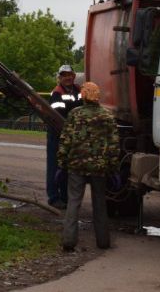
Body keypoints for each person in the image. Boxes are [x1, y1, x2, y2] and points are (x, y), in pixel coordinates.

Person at [57, 82, 119, 251]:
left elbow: (65, 140)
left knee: (73, 203)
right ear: (98, 96)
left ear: (82, 95)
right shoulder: (107, 116)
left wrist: (62, 163)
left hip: (76, 165)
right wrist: (113, 168)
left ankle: (69, 242)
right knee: (99, 204)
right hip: (99, 168)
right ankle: (103, 242)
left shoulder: (75, 114)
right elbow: (113, 145)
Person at [46, 64, 82, 209]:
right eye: (64, 75)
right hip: (58, 134)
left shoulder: (78, 90)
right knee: (55, 166)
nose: (67, 77)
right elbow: (58, 117)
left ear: (73, 76)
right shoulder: (56, 93)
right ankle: (54, 198)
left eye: (69, 74)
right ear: (59, 78)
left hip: (72, 134)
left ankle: (66, 197)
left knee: (68, 168)